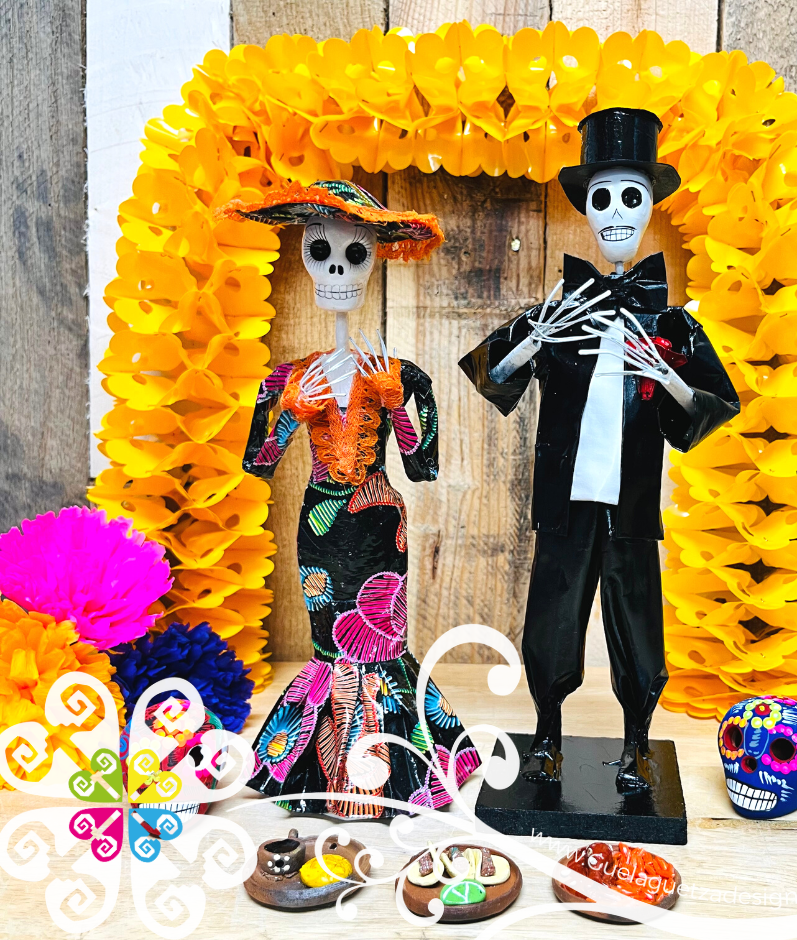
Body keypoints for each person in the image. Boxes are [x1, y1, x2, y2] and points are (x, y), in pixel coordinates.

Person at [460, 109, 739, 794]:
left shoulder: (672, 323)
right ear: (586, 207)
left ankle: (637, 742)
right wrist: (532, 340)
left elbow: (717, 404)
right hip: (565, 505)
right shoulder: (557, 314)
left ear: (649, 207)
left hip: (631, 506)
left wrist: (668, 376)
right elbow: (488, 374)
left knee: (636, 622)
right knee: (552, 619)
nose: (615, 213)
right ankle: (547, 734)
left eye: (630, 196)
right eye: (602, 197)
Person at [224, 180, 480, 817]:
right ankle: (325, 768)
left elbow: (421, 467)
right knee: (327, 644)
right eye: (321, 251)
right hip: (319, 525)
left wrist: (396, 407)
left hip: (380, 525)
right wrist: (290, 411)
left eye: (355, 253)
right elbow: (257, 463)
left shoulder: (402, 376)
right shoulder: (287, 379)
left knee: (381, 641)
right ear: (305, 256)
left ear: (375, 260)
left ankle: (395, 774)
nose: (337, 269)